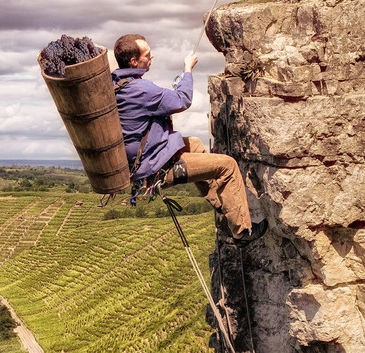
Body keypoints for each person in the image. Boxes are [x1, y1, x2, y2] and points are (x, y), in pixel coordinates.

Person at [111, 33, 265, 243]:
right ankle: (241, 231)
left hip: (143, 160)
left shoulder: (118, 84)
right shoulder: (141, 89)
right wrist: (187, 71)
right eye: (147, 54)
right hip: (156, 166)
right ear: (134, 61)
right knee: (228, 165)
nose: (152, 56)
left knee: (196, 144)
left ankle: (221, 204)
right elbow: (182, 100)